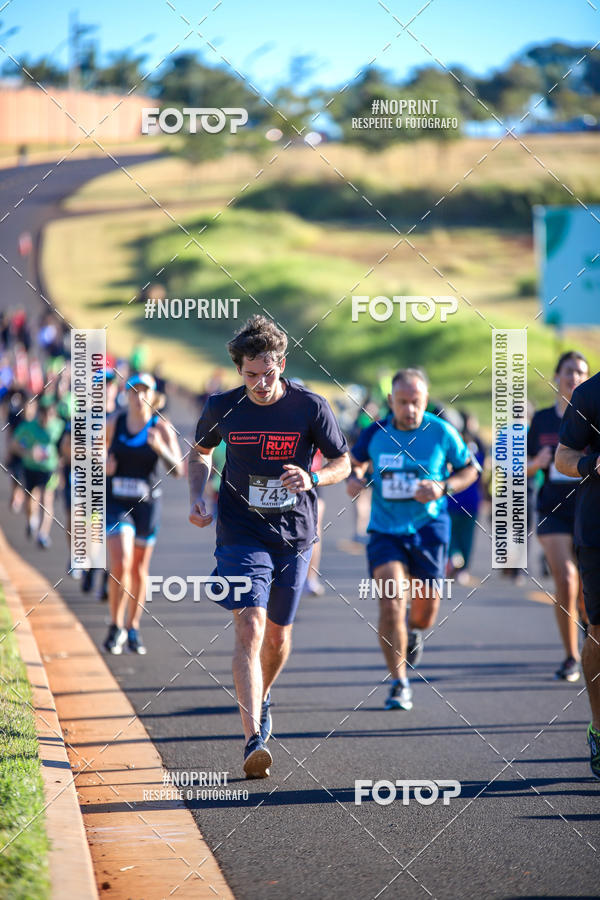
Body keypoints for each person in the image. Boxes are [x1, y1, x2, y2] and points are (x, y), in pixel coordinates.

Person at [189, 315, 350, 779]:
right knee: (251, 626)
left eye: (269, 373)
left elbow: (343, 462)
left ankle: (262, 695)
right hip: (241, 531)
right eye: (251, 375)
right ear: (238, 370)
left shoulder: (310, 407)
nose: (260, 384)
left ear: (282, 364)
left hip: (293, 534)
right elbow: (200, 452)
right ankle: (253, 740)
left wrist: (313, 477)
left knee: (277, 638)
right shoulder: (222, 406)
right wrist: (198, 494)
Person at [347, 368, 478, 711]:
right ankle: (399, 683)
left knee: (424, 614)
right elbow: (354, 462)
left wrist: (442, 487)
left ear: (426, 400)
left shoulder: (441, 431)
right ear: (391, 401)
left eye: (416, 402)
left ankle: (414, 631)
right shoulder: (375, 432)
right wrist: (354, 478)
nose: (409, 409)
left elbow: (470, 470)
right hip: (385, 531)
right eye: (403, 402)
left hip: (429, 529)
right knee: (391, 601)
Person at [103, 373, 183, 655]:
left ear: (152, 395)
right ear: (127, 395)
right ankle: (116, 626)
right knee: (121, 562)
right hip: (117, 503)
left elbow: (178, 470)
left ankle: (133, 626)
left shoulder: (160, 427)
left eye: (144, 391)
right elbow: (92, 453)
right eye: (134, 391)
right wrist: (104, 467)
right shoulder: (114, 422)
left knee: (138, 569)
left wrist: (160, 449)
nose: (139, 397)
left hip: (147, 506)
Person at [527, 351, 589, 682]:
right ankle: (570, 657)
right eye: (568, 371)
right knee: (565, 579)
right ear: (556, 376)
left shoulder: (593, 415)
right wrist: (536, 463)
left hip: (589, 509)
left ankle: (587, 628)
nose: (574, 377)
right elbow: (516, 467)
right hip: (552, 510)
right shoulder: (541, 420)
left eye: (581, 372)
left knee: (587, 590)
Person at [555, 369, 600, 779]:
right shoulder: (590, 394)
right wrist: (592, 463)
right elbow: (563, 457)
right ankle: (599, 729)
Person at [11, 394, 64, 548]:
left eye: (50, 413)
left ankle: (43, 534)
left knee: (47, 499)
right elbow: (14, 444)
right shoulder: (28, 426)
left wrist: (60, 463)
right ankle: (32, 521)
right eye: (44, 413)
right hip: (31, 467)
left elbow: (66, 447)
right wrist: (27, 452)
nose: (47, 417)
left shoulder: (59, 426)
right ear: (40, 413)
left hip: (49, 469)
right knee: (31, 499)